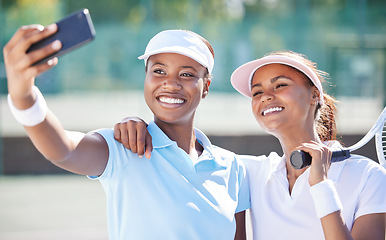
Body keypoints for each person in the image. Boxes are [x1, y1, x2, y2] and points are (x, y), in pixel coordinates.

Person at [4, 25, 250, 240]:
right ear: (146, 77)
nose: (171, 83)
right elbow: (63, 150)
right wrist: (23, 95)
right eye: (159, 71)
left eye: (186, 74)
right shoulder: (123, 147)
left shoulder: (232, 168)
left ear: (205, 86)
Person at [114, 50, 386, 239]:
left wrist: (322, 187)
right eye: (257, 92)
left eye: (279, 85)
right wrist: (137, 124)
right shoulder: (248, 172)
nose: (266, 96)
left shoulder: (369, 177)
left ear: (315, 94)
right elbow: (187, 155)